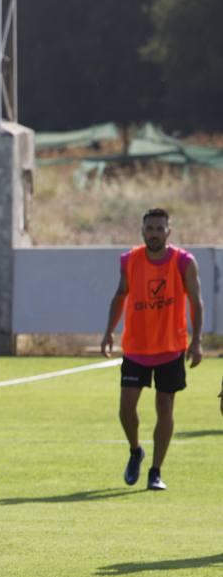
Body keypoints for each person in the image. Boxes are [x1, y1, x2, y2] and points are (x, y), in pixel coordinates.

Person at [100, 208, 203, 491]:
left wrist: (196, 341)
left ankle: (156, 471)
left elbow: (196, 302)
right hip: (136, 347)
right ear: (142, 231)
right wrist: (109, 331)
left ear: (169, 231)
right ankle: (136, 451)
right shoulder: (130, 260)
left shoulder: (183, 262)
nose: (154, 233)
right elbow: (120, 295)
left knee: (164, 406)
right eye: (150, 229)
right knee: (126, 408)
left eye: (160, 228)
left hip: (170, 347)